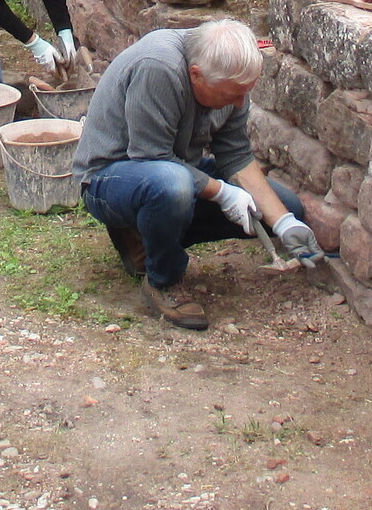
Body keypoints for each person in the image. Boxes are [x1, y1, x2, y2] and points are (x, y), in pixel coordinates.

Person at [77, 19, 322, 331]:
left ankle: (144, 235)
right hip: (110, 177)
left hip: (174, 170)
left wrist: (284, 222)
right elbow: (152, 156)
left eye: (244, 93)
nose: (239, 103)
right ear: (196, 75)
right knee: (172, 186)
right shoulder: (158, 67)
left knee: (287, 207)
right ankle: (163, 281)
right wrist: (223, 193)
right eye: (231, 95)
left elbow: (235, 155)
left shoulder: (230, 74)